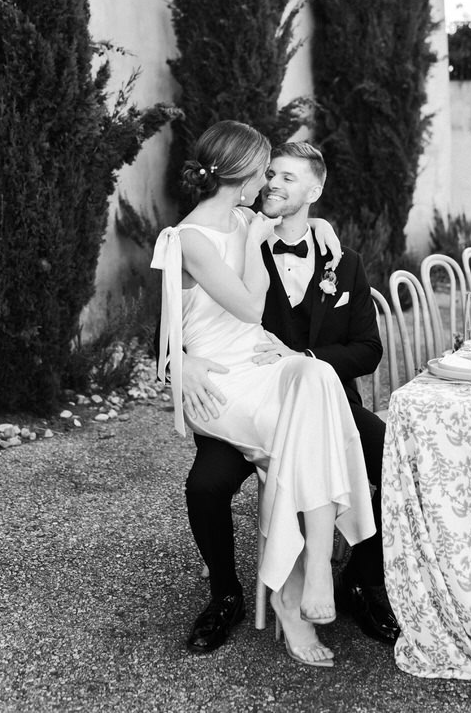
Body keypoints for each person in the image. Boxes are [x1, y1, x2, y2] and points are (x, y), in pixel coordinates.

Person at [151, 122, 375, 668]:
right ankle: (292, 591)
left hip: (264, 367)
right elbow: (245, 310)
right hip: (223, 384)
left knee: (318, 380)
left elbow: (295, 220)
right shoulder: (191, 240)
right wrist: (181, 361)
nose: (268, 182)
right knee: (309, 431)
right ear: (245, 175)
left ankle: (316, 567)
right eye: (264, 172)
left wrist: (315, 224)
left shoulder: (245, 217)